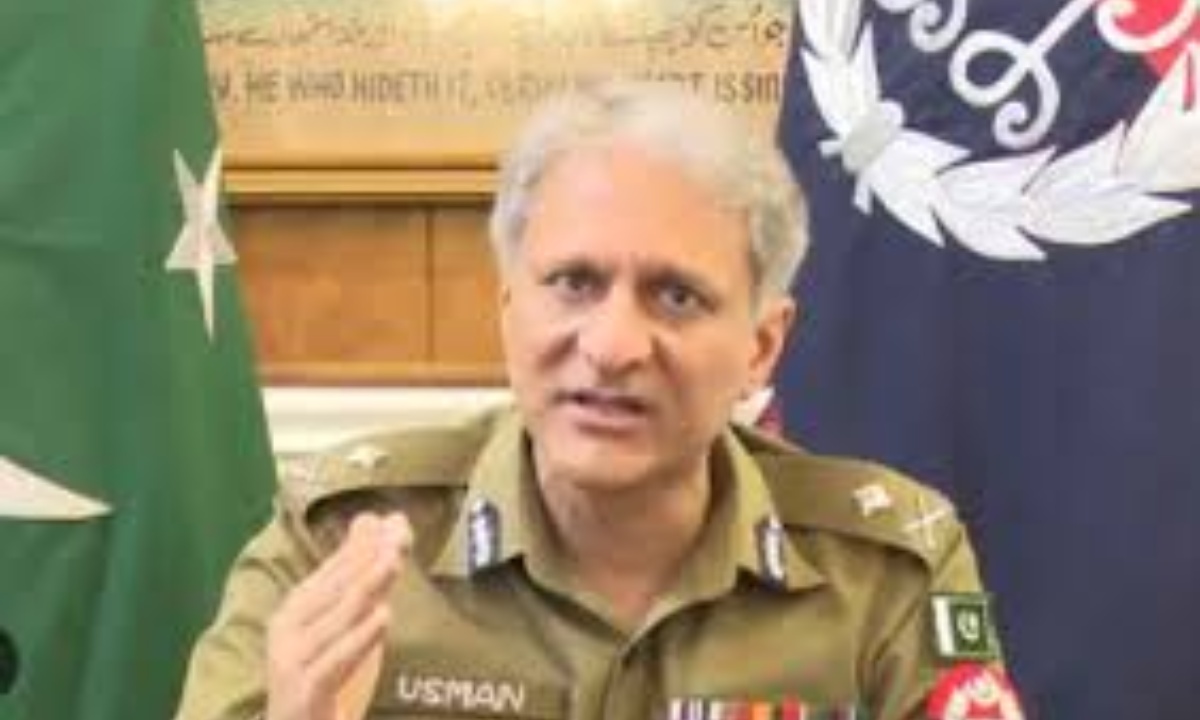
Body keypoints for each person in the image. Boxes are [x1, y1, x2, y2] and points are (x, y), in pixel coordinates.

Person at [176, 81, 1022, 720]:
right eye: (574, 283)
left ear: (762, 346)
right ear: (509, 309)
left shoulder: (884, 575)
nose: (614, 346)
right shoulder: (335, 547)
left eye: (676, 296)